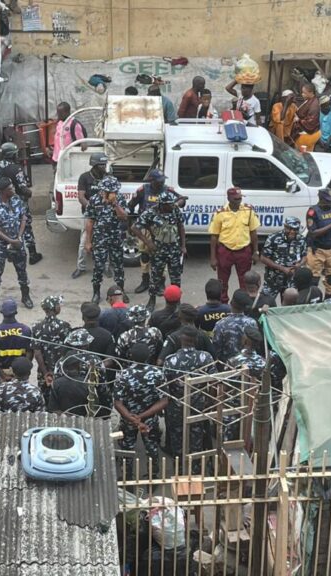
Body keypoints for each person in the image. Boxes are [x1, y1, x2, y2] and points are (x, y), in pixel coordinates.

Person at [128, 169, 187, 295]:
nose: (161, 183)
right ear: (152, 181)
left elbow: (182, 200)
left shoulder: (168, 190)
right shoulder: (143, 190)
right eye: (159, 181)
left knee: (162, 257)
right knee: (145, 255)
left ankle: (160, 283)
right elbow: (131, 205)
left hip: (163, 228)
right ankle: (145, 281)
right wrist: (131, 221)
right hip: (146, 227)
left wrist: (175, 204)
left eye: (163, 180)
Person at [163, 327, 215, 466]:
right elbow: (215, 382)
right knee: (197, 437)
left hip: (176, 407)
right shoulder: (205, 357)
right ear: (196, 340)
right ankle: (196, 469)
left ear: (181, 339)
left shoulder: (171, 360)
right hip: (199, 405)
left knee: (177, 438)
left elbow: (165, 386)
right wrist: (209, 400)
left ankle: (180, 469)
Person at [114, 343, 168, 476]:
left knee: (127, 448)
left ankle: (128, 477)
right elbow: (164, 401)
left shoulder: (123, 375)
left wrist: (133, 418)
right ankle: (153, 476)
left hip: (128, 419)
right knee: (152, 448)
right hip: (150, 418)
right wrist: (142, 417)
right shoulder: (157, 373)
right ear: (148, 356)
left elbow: (117, 403)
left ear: (131, 356)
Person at [133, 190, 186, 310]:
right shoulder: (151, 213)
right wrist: (148, 242)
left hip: (174, 248)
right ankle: (152, 300)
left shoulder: (175, 210)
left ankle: (177, 301)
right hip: (158, 250)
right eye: (169, 204)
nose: (171, 206)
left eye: (172, 204)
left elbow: (181, 227)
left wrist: (183, 246)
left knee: (176, 278)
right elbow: (135, 228)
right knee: (155, 277)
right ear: (162, 204)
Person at [0, 177, 33, 311]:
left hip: (17, 242)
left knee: (22, 271)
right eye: (10, 188)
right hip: (1, 244)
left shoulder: (16, 200)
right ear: (2, 191)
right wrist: (10, 241)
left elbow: (23, 218)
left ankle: (25, 296)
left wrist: (18, 237)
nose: (13, 189)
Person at [208, 188, 260, 303]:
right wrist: (213, 257)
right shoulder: (220, 213)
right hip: (225, 251)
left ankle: (242, 304)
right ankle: (223, 304)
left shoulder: (248, 210)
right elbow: (214, 236)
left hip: (244, 250)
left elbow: (253, 233)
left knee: (244, 281)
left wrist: (256, 252)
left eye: (240, 198)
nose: (239, 201)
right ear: (228, 199)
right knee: (222, 281)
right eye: (236, 199)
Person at [85, 174, 128, 304]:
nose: (113, 192)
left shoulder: (120, 199)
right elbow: (90, 221)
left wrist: (115, 204)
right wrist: (88, 241)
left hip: (116, 237)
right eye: (110, 191)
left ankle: (120, 292)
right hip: (100, 238)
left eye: (114, 190)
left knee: (119, 266)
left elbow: (124, 217)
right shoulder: (94, 200)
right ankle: (96, 293)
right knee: (98, 266)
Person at [0, 142, 43, 264]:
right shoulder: (16, 168)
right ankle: (33, 254)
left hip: (2, 202)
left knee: (7, 226)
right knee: (26, 226)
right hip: (18, 202)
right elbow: (23, 188)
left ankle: (9, 253)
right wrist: (29, 193)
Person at [225, 324, 266, 440]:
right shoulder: (264, 362)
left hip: (234, 409)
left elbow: (226, 386)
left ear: (246, 340)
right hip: (256, 408)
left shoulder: (233, 361)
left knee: (230, 445)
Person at [72, 153, 108, 279]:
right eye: (101, 165)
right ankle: (80, 267)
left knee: (105, 241)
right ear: (94, 165)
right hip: (89, 214)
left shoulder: (107, 178)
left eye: (105, 164)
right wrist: (92, 209)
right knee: (84, 241)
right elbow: (81, 196)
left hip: (105, 215)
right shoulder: (85, 177)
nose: (104, 167)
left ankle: (105, 267)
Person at [32, 295, 72, 400]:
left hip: (43, 372)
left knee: (45, 399)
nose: (60, 306)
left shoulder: (37, 327)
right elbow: (69, 349)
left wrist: (45, 373)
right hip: (63, 371)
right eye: (58, 305)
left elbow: (37, 353)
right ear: (55, 308)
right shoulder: (65, 326)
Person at [260, 216, 308, 298]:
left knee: (289, 306)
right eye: (289, 228)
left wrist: (299, 265)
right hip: (273, 279)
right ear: (285, 227)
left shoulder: (301, 239)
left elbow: (304, 256)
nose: (292, 232)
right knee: (266, 303)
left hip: (291, 280)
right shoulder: (273, 238)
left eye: (295, 229)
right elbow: (263, 258)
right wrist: (282, 269)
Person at [0, 298, 33, 377]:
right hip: (20, 372)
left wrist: (2, 375)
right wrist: (24, 369)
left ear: (1, 312)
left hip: (3, 371)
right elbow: (30, 352)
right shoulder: (25, 330)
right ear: (16, 312)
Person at [212, 290, 258, 364]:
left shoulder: (220, 324)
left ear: (231, 303)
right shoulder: (252, 323)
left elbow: (216, 350)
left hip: (228, 367)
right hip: (249, 364)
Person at [293, 83, 321, 151]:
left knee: (303, 152)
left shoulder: (314, 105)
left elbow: (311, 122)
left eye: (304, 93)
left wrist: (298, 120)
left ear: (311, 93)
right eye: (302, 92)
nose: (302, 94)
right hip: (305, 130)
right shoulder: (309, 100)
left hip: (309, 133)